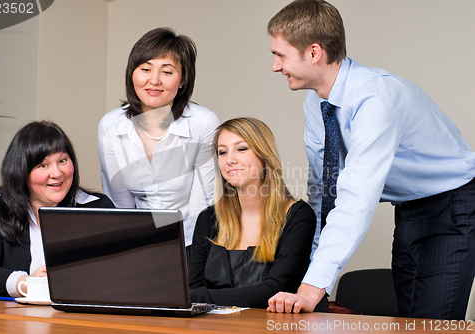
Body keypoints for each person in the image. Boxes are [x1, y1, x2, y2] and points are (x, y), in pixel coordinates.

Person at [266, 0, 475, 320]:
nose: (275, 67)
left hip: (452, 203)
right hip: (409, 208)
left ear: (313, 52)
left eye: (280, 55)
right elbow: (325, 191)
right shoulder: (316, 102)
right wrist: (310, 274)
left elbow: (356, 196)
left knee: (433, 325)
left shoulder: (374, 99)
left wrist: (314, 286)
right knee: (409, 322)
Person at [98, 27, 220, 251]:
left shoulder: (204, 124)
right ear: (132, 73)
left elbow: (201, 206)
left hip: (189, 242)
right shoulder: (110, 126)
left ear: (182, 79)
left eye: (167, 72)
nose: (154, 80)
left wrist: (189, 257)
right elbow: (120, 204)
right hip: (134, 241)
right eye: (145, 69)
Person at [189, 117, 328, 310]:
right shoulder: (208, 219)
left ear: (264, 156)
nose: (229, 160)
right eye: (222, 152)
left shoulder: (298, 216)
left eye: (242, 148)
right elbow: (192, 288)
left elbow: (273, 291)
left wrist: (195, 296)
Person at [0, 121, 114, 297]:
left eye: (63, 160)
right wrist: (27, 284)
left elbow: (117, 272)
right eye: (43, 165)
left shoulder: (97, 207)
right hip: (10, 319)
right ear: (21, 170)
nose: (57, 173)